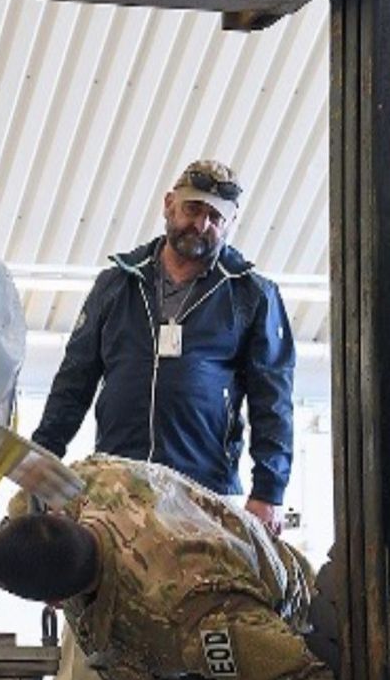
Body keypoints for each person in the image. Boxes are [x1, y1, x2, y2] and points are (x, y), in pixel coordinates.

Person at [31, 159, 295, 536]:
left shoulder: (253, 295)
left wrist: (269, 491)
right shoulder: (115, 285)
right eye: (192, 209)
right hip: (117, 483)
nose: (201, 224)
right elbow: (73, 382)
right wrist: (42, 461)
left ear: (231, 223)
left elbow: (273, 402)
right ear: (169, 204)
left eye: (215, 217)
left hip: (204, 491)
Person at [0, 455, 333, 680]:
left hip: (288, 609)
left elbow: (304, 677)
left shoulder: (184, 614)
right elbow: (26, 519)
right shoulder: (84, 484)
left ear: (55, 603)